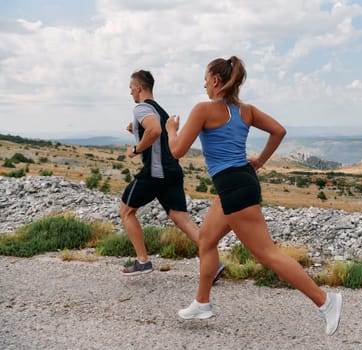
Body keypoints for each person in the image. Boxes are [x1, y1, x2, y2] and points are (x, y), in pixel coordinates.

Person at [165, 57, 342, 335]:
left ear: (215, 81)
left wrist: (171, 129)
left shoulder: (203, 110)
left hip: (233, 187)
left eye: (205, 79)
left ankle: (325, 301)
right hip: (240, 181)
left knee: (266, 255)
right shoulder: (246, 110)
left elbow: (176, 151)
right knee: (207, 240)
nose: (203, 85)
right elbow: (279, 131)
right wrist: (259, 160)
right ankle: (202, 303)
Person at [119, 69, 226, 283]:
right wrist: (139, 132)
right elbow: (160, 135)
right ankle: (214, 264)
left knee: (126, 211)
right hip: (172, 171)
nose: (130, 91)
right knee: (181, 218)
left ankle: (142, 261)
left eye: (131, 87)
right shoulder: (160, 110)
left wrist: (136, 148)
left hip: (154, 173)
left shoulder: (141, 108)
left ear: (139, 87)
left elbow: (156, 132)